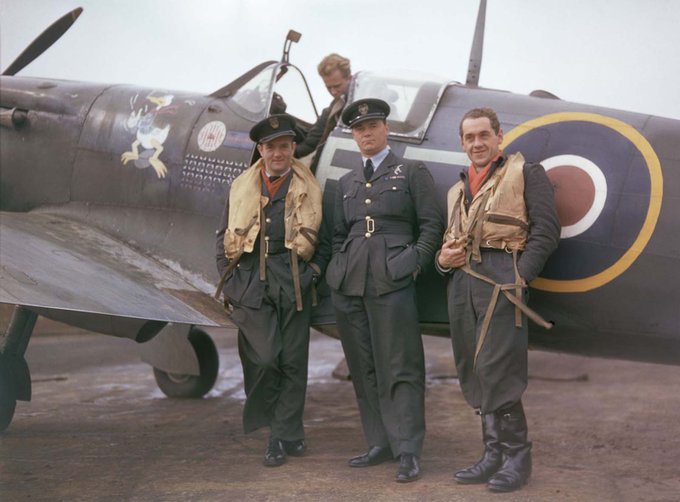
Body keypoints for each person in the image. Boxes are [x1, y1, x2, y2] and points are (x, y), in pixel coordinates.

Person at [436, 107, 561, 492]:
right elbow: (448, 241)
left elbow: (547, 229)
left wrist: (520, 276)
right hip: (463, 283)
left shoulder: (526, 173)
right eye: (469, 137)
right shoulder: (457, 190)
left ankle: (517, 458)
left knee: (499, 369)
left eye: (483, 135)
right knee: (473, 368)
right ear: (462, 143)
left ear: (498, 136)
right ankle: (492, 455)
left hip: (502, 280)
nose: (477, 143)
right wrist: (442, 261)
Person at [325, 98, 444, 483]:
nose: (366, 133)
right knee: (364, 367)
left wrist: (412, 264)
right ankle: (379, 442)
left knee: (401, 365)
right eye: (359, 129)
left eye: (373, 125)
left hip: (392, 280)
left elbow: (431, 226)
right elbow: (337, 234)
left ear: (386, 129)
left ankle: (408, 448)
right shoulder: (345, 183)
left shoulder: (411, 171)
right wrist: (337, 269)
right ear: (353, 135)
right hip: (350, 283)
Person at [215, 113, 330, 467]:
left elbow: (323, 242)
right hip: (250, 283)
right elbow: (223, 236)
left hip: (294, 281)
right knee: (265, 358)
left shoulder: (308, 186)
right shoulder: (241, 187)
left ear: (293, 148)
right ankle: (275, 426)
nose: (277, 153)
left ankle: (284, 436)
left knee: (294, 363)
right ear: (260, 150)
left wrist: (312, 272)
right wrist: (229, 277)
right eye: (270, 147)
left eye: (284, 146)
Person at [295, 53, 352, 173]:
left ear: (349, 78)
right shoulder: (332, 109)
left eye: (337, 86)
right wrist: (289, 153)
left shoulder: (366, 103)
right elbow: (313, 140)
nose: (333, 92)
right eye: (328, 87)